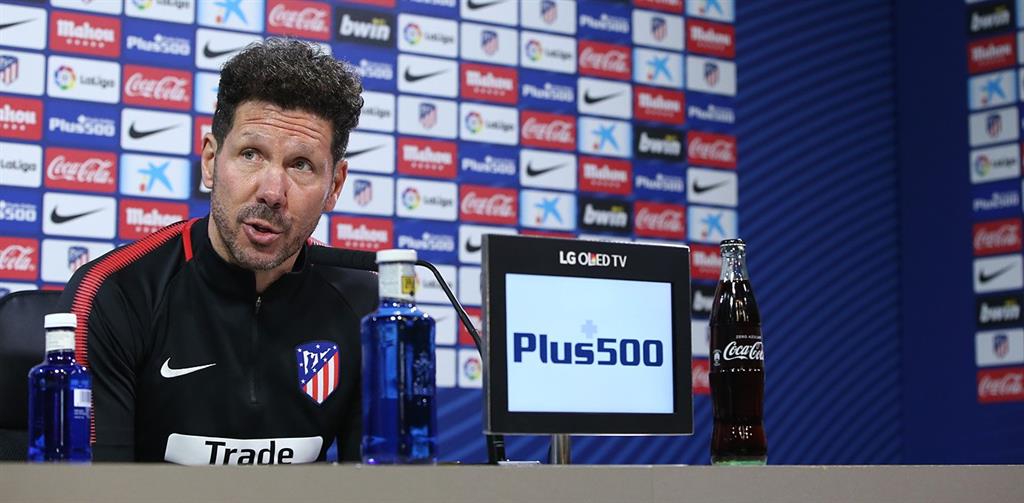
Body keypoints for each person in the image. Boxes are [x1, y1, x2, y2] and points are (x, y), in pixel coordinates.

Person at [56, 39, 377, 464]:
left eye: (301, 164)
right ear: (210, 161)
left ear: (334, 186)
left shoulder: (365, 308)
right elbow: (92, 488)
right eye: (251, 154)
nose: (272, 192)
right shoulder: (114, 293)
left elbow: (384, 484)